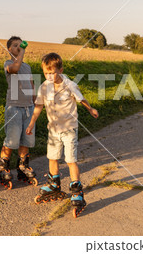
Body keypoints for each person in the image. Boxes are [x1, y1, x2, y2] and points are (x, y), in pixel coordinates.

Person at [26, 52, 99, 217]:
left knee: (71, 160)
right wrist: (31, 123)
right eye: (46, 73)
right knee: (52, 157)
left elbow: (81, 100)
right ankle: (54, 184)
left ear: (61, 69)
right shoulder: (44, 87)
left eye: (52, 72)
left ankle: (76, 190)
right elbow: (38, 106)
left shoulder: (70, 85)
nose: (50, 76)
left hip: (69, 129)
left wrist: (91, 109)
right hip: (53, 129)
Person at [0, 36, 37, 189]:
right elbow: (15, 68)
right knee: (12, 140)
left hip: (28, 108)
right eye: (15, 45)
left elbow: (31, 84)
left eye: (20, 45)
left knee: (27, 140)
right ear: (9, 49)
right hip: (14, 107)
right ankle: (2, 167)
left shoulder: (27, 67)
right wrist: (22, 52)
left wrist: (35, 100)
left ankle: (23, 166)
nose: (19, 47)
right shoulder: (8, 64)